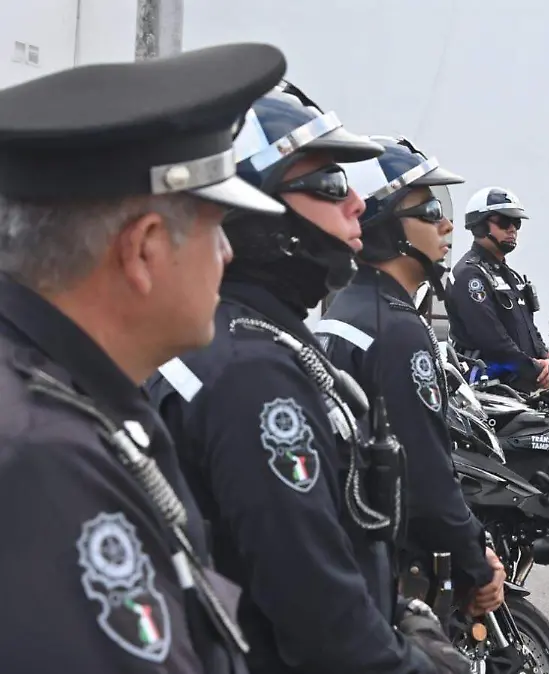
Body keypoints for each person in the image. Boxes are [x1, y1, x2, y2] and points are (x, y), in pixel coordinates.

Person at [145, 83, 464, 673]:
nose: (358, 205)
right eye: (329, 185)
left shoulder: (243, 338)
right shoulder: (252, 372)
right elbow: (315, 609)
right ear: (251, 207)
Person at [0, 43, 286, 673]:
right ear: (145, 249)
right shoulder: (41, 461)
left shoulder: (60, 399)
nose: (229, 257)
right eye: (217, 228)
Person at [315, 136, 506, 618]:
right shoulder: (395, 328)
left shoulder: (349, 306)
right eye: (426, 211)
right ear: (382, 225)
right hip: (393, 564)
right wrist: (475, 560)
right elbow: (422, 470)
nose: (445, 224)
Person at [447, 186, 549, 393]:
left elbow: (529, 329)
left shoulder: (510, 275)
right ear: (479, 226)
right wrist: (536, 370)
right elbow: (491, 340)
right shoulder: (470, 275)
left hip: (522, 390)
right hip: (490, 392)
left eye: (516, 223)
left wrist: (548, 362)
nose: (512, 229)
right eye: (504, 222)